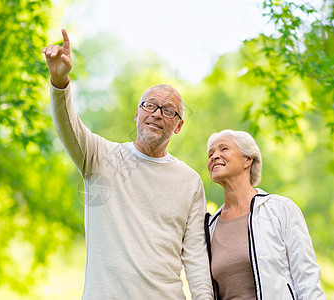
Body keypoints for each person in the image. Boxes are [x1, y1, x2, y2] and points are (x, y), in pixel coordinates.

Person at [42, 29, 213, 299]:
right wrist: (59, 80)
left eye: (168, 110)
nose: (157, 114)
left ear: (179, 125)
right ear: (136, 114)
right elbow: (68, 125)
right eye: (149, 106)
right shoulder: (100, 158)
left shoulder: (189, 181)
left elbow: (195, 255)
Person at [204, 129, 325, 300]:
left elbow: (307, 278)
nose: (214, 156)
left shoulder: (280, 209)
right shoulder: (210, 227)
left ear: (248, 159)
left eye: (224, 149)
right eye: (210, 153)